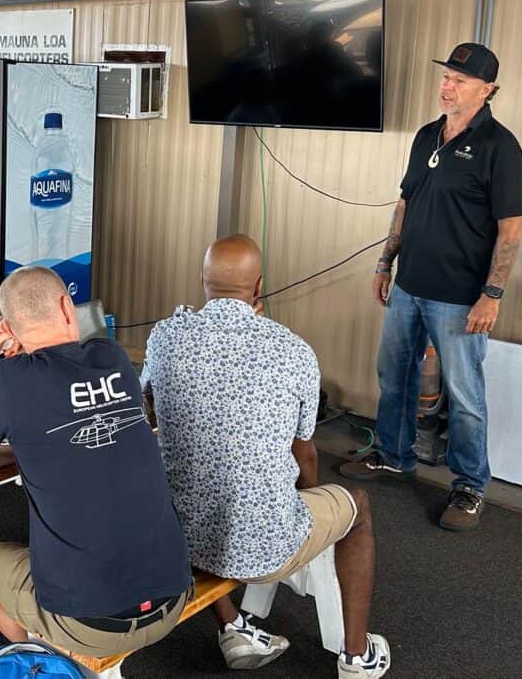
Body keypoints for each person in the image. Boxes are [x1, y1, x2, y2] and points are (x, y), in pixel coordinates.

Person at [144, 235, 389, 677]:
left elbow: (149, 409)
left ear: (203, 281)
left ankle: (234, 626)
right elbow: (305, 456)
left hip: (174, 538)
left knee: (192, 478)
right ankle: (357, 656)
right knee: (359, 509)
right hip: (263, 547)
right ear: (259, 286)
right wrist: (310, 509)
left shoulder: (165, 337)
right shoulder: (292, 351)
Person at [0, 266, 193, 658]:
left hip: (91, 624)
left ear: (7, 327)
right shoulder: (111, 356)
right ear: (66, 306)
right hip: (173, 598)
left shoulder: (9, 379)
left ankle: (45, 658)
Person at [339, 43, 522, 533]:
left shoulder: (501, 150)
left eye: (461, 81)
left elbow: (510, 231)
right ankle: (393, 455)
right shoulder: (427, 136)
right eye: (446, 77)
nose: (448, 86)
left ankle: (469, 486)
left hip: (460, 297)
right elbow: (405, 205)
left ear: (488, 91)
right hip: (410, 286)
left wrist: (492, 295)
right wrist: (385, 261)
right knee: (395, 376)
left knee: (465, 394)